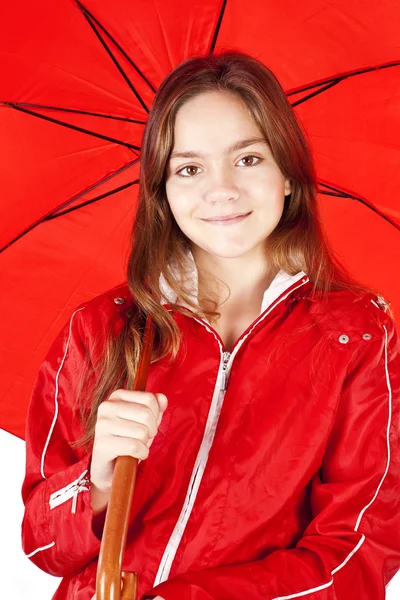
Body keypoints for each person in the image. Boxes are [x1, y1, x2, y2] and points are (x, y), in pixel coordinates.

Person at [21, 51, 400, 600]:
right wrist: (97, 479)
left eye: (248, 159)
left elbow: (357, 555)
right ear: (164, 192)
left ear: (289, 175)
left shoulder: (358, 335)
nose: (220, 190)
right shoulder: (99, 328)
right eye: (189, 168)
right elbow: (40, 545)